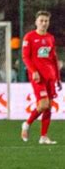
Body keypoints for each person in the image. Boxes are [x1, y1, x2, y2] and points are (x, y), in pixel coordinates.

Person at [21, 11, 62, 144]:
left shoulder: (50, 38)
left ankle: (43, 136)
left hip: (50, 76)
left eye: (46, 21)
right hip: (38, 77)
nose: (44, 23)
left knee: (49, 106)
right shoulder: (29, 37)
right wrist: (33, 71)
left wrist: (58, 78)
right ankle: (26, 124)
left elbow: (54, 59)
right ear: (36, 22)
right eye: (41, 20)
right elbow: (25, 57)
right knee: (43, 104)